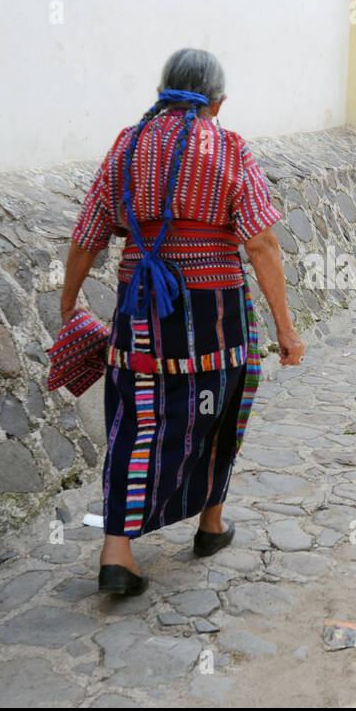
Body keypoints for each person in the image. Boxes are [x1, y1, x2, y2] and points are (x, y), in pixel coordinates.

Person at [59, 48, 305, 596]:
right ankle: (210, 524)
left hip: (138, 310)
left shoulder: (127, 145)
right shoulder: (228, 147)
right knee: (217, 411)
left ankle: (117, 552)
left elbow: (89, 231)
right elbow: (261, 242)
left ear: (163, 91)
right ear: (216, 102)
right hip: (215, 313)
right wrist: (286, 330)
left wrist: (69, 302)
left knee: (136, 415)